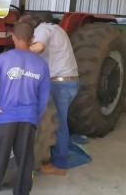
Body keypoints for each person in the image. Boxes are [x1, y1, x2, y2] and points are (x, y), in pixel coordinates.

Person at [0, 21, 50, 195]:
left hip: (4, 119)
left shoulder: (3, 58)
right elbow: (44, 99)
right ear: (32, 39)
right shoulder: (42, 65)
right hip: (28, 120)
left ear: (13, 37)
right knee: (25, 163)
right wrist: (35, 118)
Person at [19, 13, 79, 175]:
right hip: (68, 81)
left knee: (59, 123)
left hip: (60, 83)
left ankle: (59, 165)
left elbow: (39, 47)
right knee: (58, 120)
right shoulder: (56, 28)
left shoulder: (43, 29)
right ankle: (51, 154)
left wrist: (15, 56)